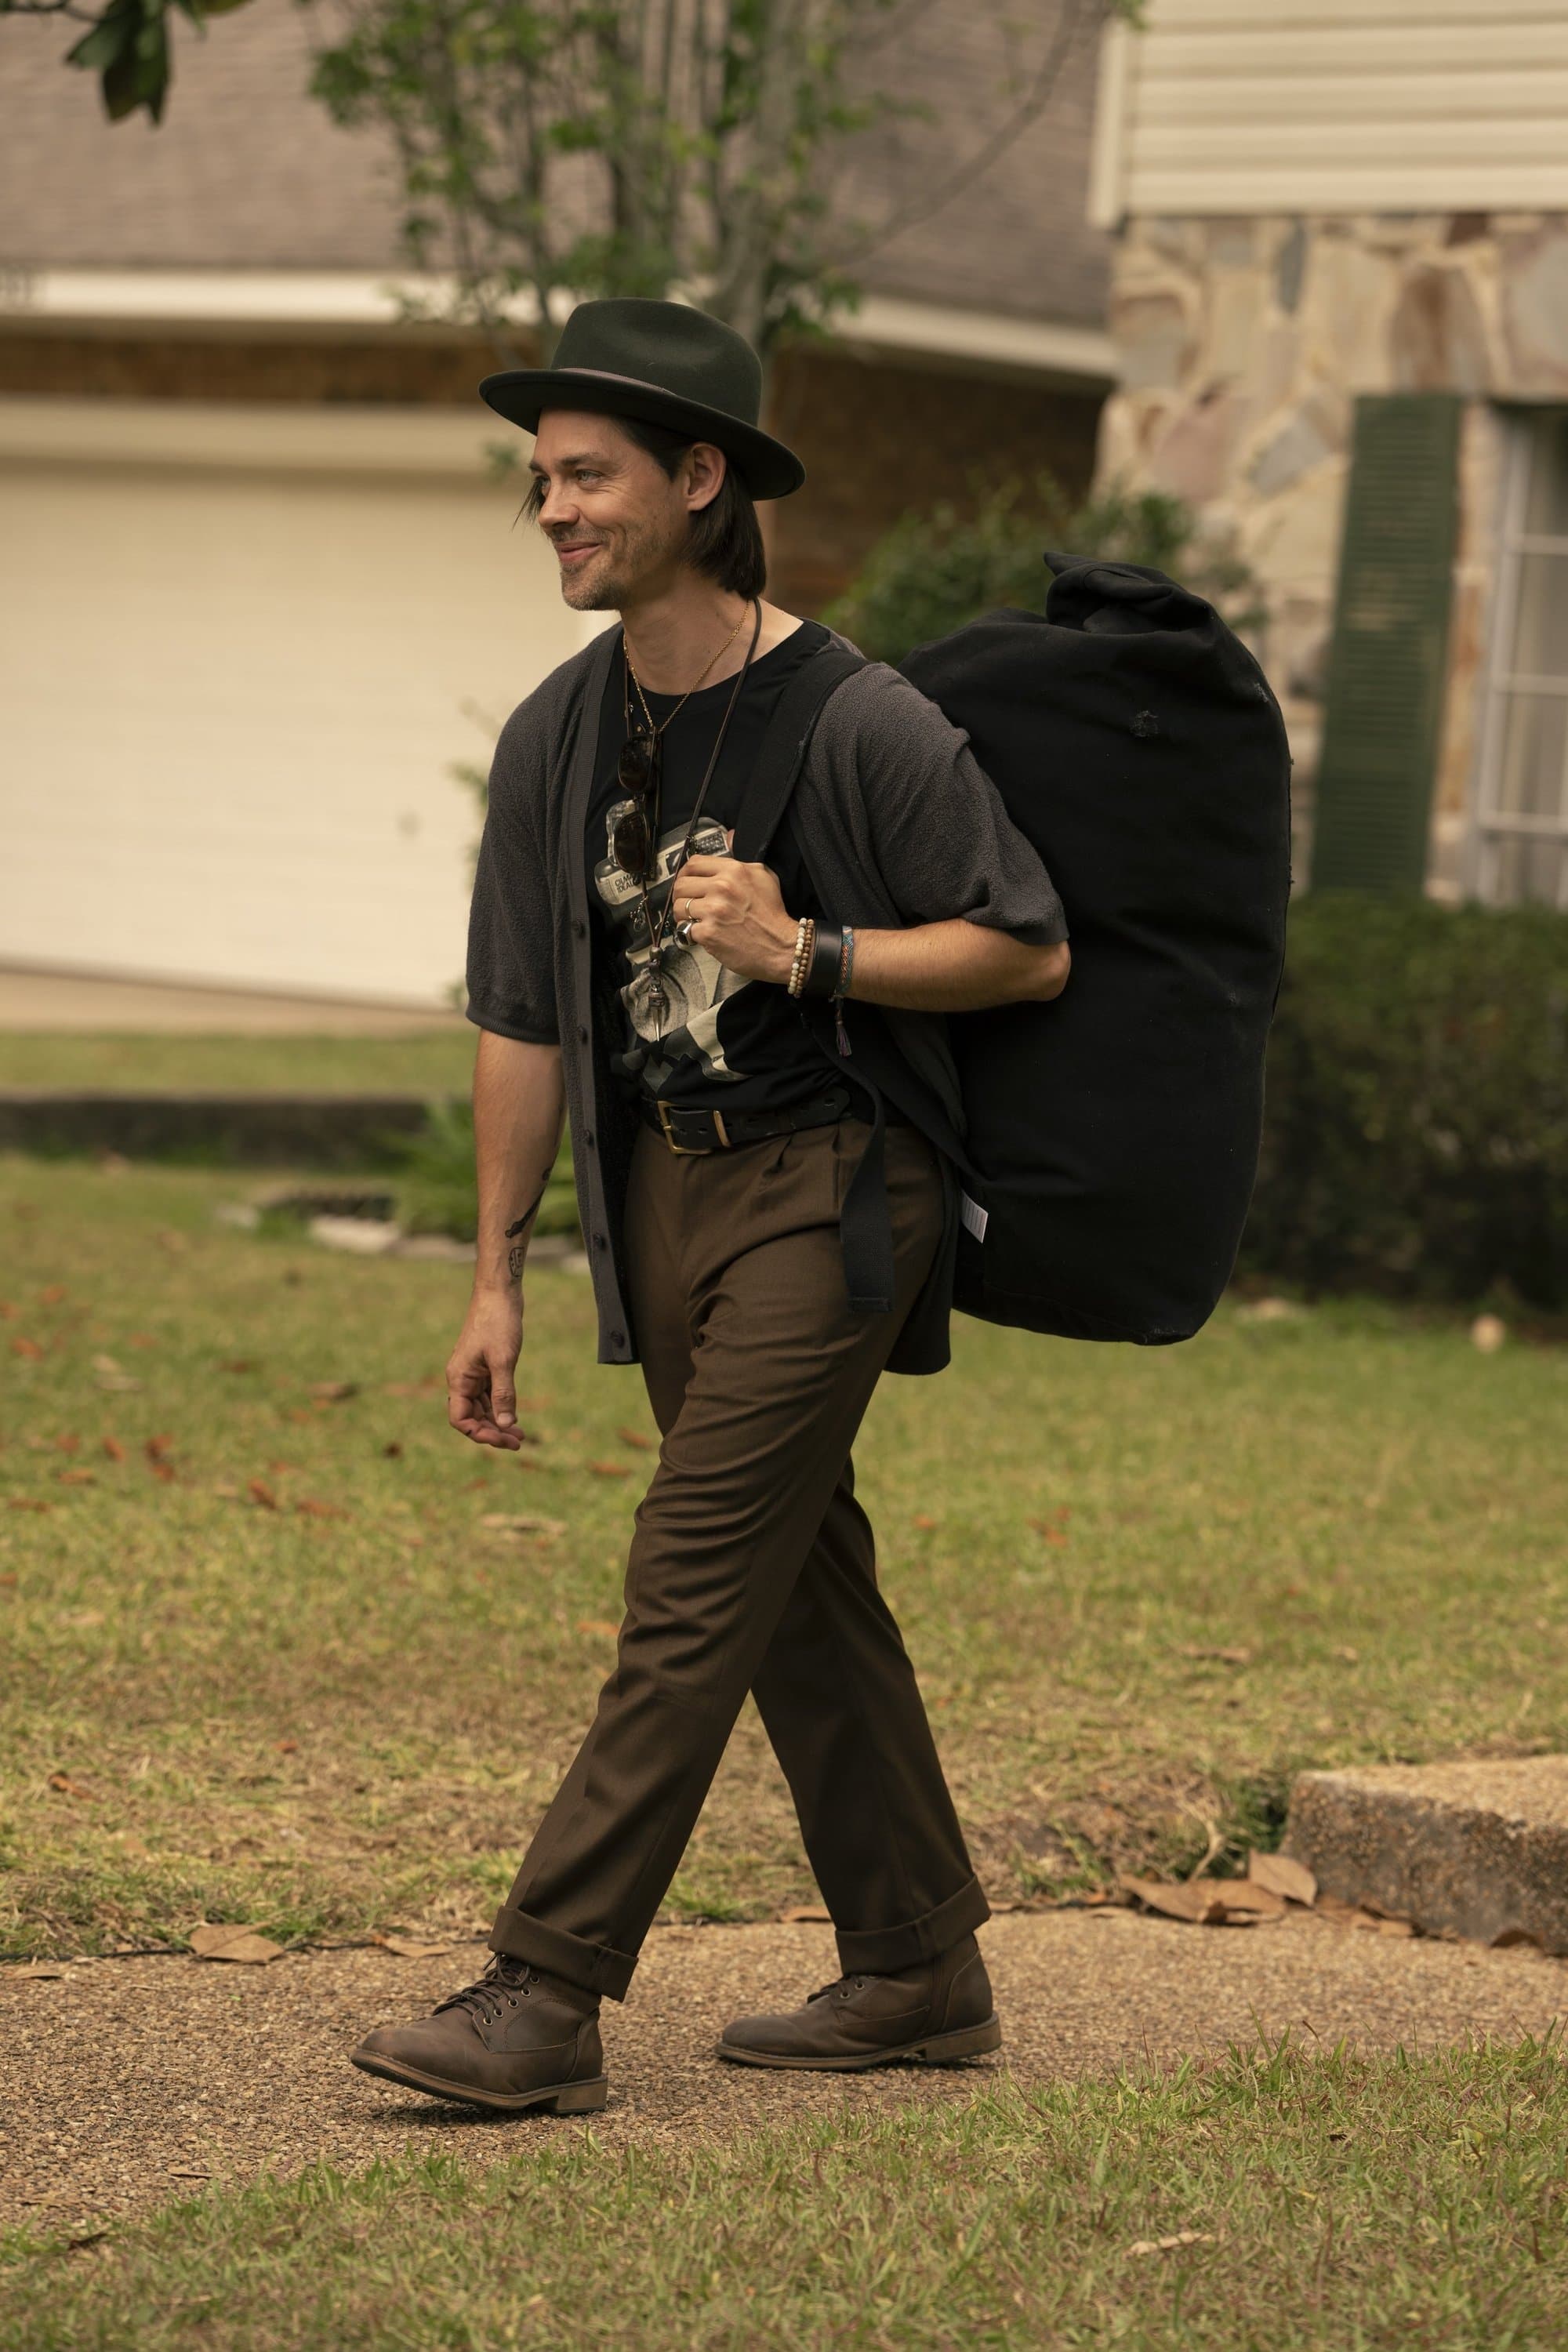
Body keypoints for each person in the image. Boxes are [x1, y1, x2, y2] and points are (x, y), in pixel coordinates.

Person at [351, 299, 1069, 2114]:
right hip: (661, 1200)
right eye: (542, 479)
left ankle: (543, 1992)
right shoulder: (558, 734)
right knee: (792, 1577)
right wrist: (496, 1276)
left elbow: (1024, 946)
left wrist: (808, 948)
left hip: (832, 1188)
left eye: (586, 476)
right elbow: (522, 1017)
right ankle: (917, 1964)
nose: (553, 509)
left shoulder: (855, 719)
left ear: (697, 481)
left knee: (689, 1575)